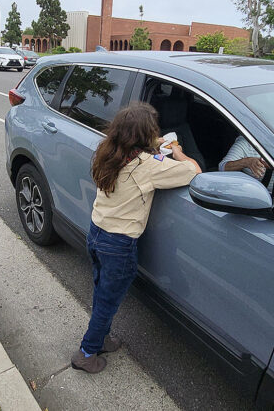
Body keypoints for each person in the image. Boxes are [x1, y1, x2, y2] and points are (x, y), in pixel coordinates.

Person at [71, 102, 201, 373]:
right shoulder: (149, 166)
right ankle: (86, 352)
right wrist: (175, 150)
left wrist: (153, 145)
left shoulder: (108, 152)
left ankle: (102, 337)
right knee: (108, 301)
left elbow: (138, 158)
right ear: (144, 135)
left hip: (96, 233)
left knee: (102, 291)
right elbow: (194, 171)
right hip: (119, 244)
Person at [219, 124, 274, 188]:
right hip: (262, 198)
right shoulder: (246, 142)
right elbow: (223, 167)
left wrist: (272, 164)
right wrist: (247, 162)